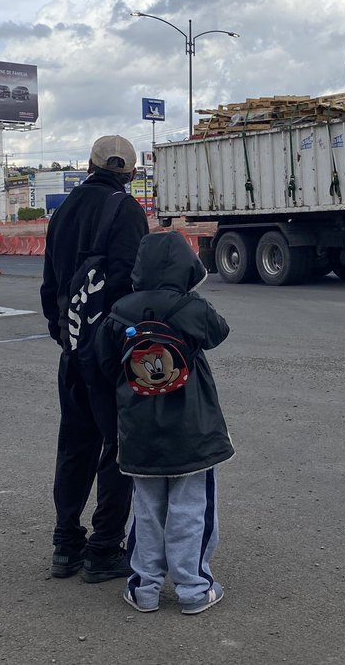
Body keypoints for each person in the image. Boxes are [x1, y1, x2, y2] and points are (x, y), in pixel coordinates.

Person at [99, 231, 233, 615]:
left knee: (146, 508)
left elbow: (105, 365)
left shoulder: (119, 310)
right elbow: (219, 332)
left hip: (140, 430)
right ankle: (193, 589)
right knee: (192, 508)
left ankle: (144, 588)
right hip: (193, 430)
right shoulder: (190, 308)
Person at [39, 135, 149, 582]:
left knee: (75, 444)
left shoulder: (62, 212)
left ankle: (66, 544)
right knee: (118, 446)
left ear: (88, 165)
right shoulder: (126, 210)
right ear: (132, 173)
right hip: (110, 350)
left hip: (73, 347)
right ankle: (104, 548)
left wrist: (66, 336)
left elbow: (51, 284)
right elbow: (133, 282)